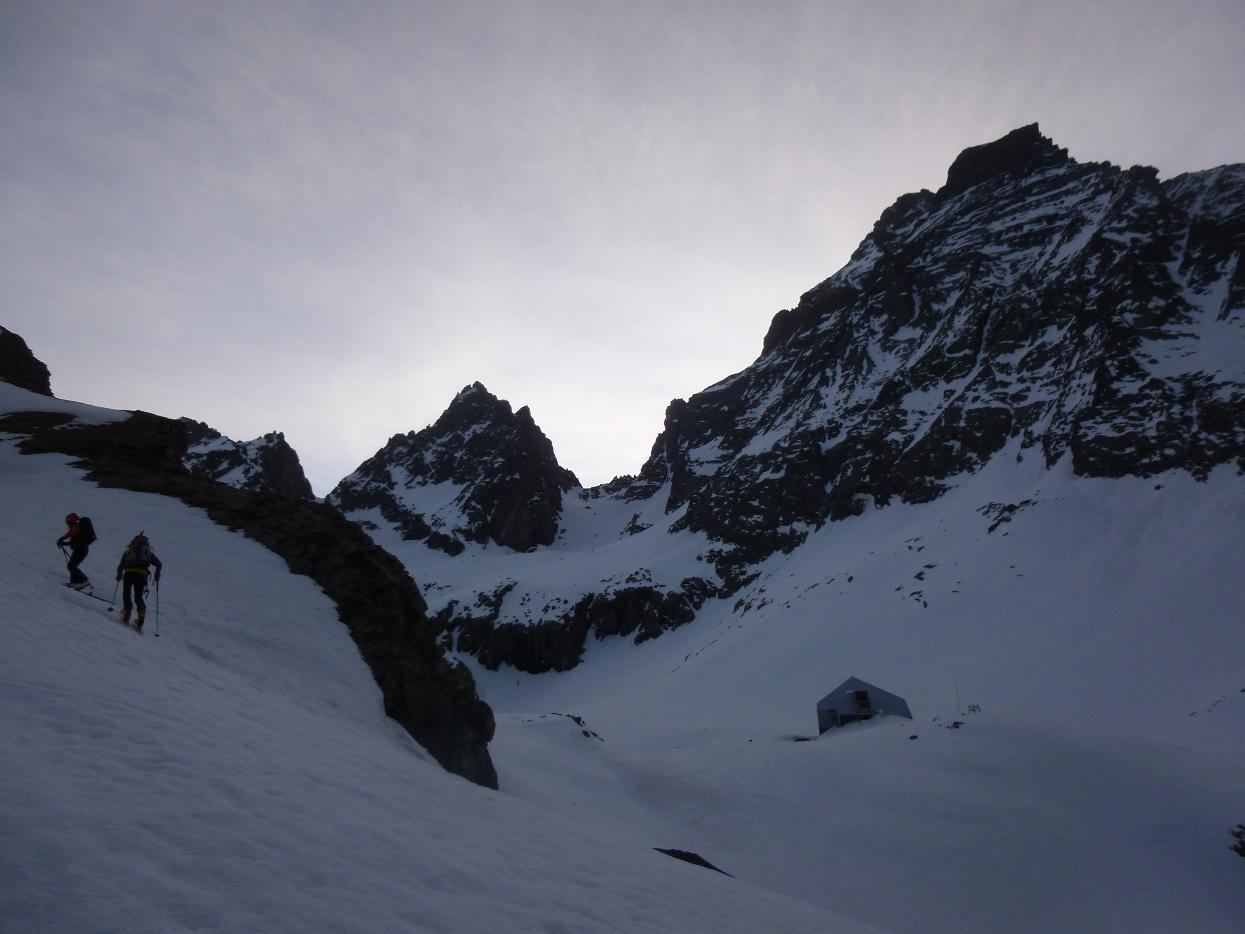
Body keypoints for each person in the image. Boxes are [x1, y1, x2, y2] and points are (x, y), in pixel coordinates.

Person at [116, 532, 163, 631]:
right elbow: (159, 563)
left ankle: (126, 613)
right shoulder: (148, 552)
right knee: (138, 596)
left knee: (126, 594)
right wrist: (157, 574)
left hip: (129, 574)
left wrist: (119, 574)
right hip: (141, 575)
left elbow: (121, 565)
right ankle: (140, 618)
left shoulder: (129, 551)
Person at [57, 513, 97, 589]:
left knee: (71, 566)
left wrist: (62, 541)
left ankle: (84, 580)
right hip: (80, 550)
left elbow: (74, 541)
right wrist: (62, 539)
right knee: (71, 566)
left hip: (81, 550)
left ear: (71, 521)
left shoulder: (76, 527)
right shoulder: (76, 527)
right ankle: (74, 582)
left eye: (68, 522)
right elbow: (71, 536)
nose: (68, 524)